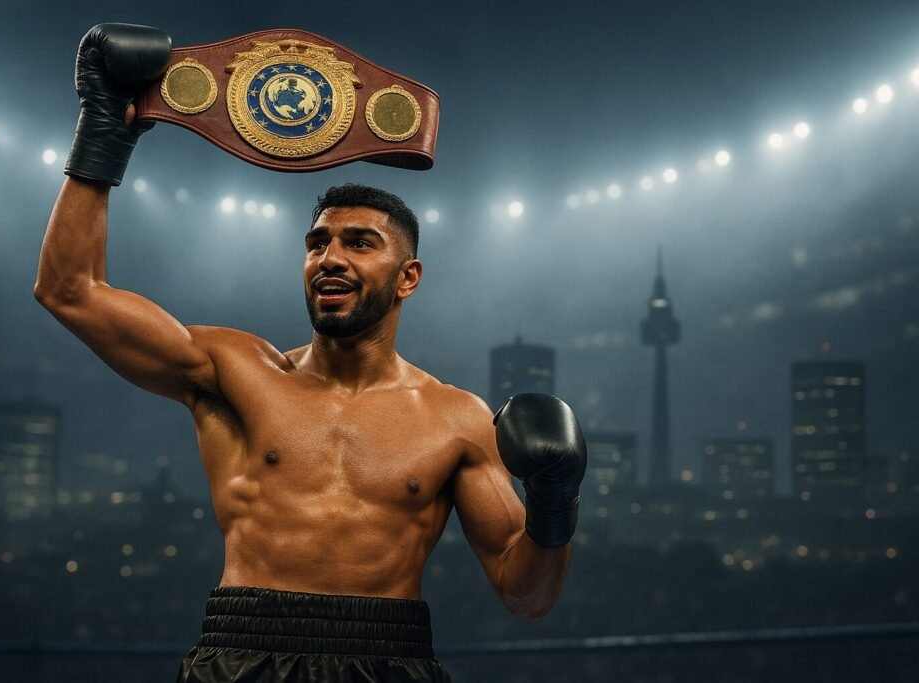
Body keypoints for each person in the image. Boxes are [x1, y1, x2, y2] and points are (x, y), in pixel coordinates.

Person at [34, 23, 587, 683]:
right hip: (241, 652)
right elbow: (70, 290)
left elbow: (526, 595)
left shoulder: (456, 418)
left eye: (359, 243)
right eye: (317, 242)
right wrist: (103, 128)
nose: (329, 257)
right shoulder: (234, 371)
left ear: (408, 277)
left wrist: (554, 499)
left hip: (389, 658)